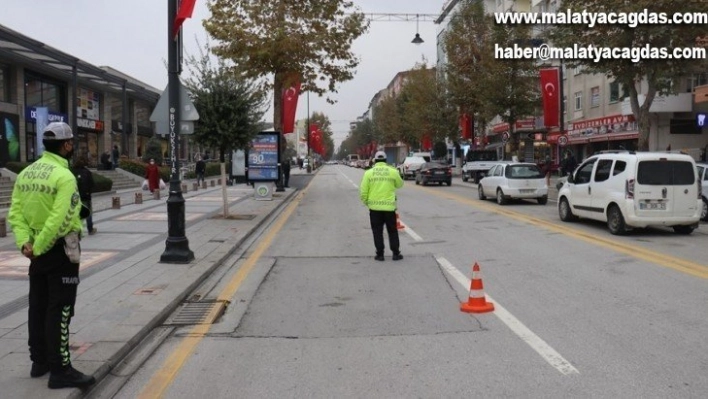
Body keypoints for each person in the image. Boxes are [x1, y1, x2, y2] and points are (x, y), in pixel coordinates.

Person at [7, 121, 96, 389]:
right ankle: (61, 369)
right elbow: (61, 218)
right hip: (59, 252)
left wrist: (27, 244)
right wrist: (43, 245)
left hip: (35, 252)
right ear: (66, 145)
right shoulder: (64, 176)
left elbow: (16, 213)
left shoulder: (27, 173)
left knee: (38, 305)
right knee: (61, 308)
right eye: (72, 143)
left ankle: (40, 361)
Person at [359, 151, 404, 261]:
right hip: (389, 208)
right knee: (392, 231)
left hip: (374, 209)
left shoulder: (368, 173)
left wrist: (367, 203)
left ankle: (380, 254)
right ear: (385, 160)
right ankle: (395, 253)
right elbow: (400, 184)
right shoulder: (393, 171)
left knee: (377, 231)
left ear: (375, 160)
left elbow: (363, 192)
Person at [72, 156, 96, 235]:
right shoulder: (87, 172)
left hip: (74, 196)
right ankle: (90, 229)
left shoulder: (72, 171)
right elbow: (92, 184)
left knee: (75, 213)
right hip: (86, 196)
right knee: (88, 213)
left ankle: (76, 230)